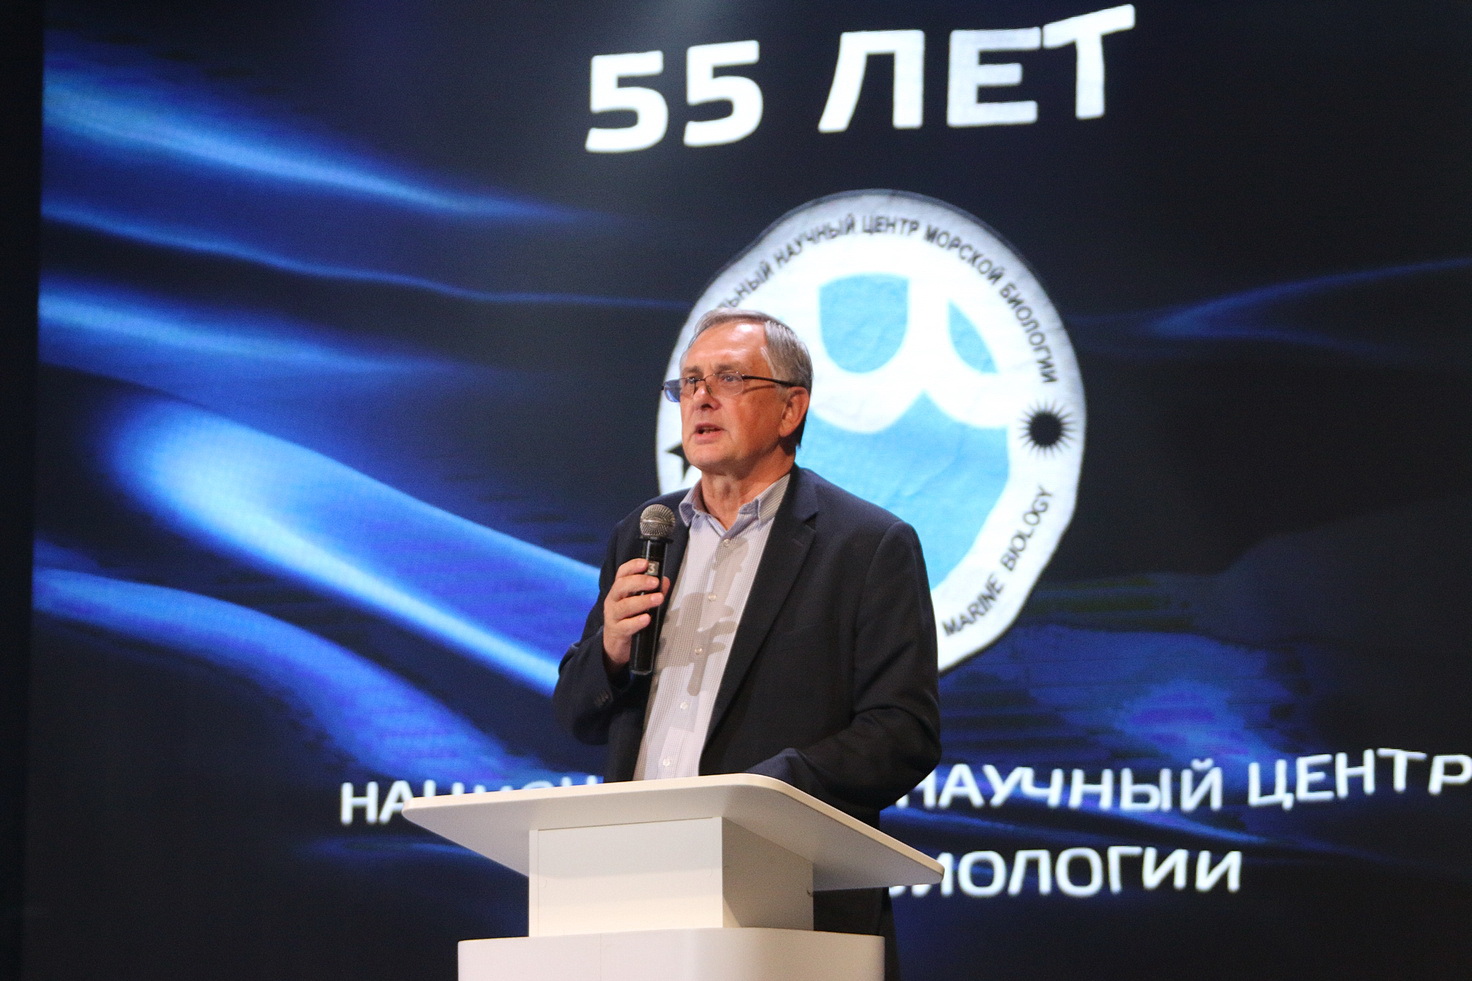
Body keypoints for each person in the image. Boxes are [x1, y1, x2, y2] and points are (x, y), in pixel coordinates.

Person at [553, 308, 941, 980]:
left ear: (791, 409)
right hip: (635, 890)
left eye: (729, 378)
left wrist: (766, 792)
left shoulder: (867, 545)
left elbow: (902, 732)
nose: (701, 397)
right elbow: (576, 715)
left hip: (787, 900)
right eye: (689, 382)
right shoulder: (644, 533)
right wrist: (610, 651)